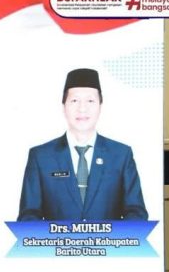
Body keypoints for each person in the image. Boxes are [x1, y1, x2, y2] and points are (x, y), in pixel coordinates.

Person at [18, 68, 148, 221]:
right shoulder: (41, 157)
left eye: (90, 101)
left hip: (110, 238)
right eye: (74, 101)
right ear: (63, 107)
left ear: (100, 106)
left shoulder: (121, 155)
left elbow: (136, 213)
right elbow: (28, 215)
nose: (82, 108)